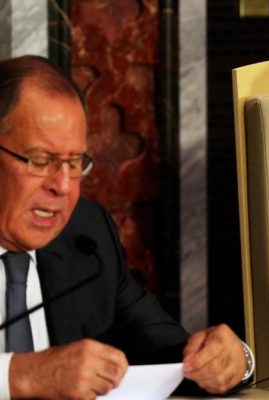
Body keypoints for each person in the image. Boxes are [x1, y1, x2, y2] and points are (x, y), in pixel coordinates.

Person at [0, 55, 254, 399]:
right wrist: (21, 375)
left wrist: (232, 361)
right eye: (41, 161)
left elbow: (171, 355)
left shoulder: (85, 236)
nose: (62, 186)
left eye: (74, 163)